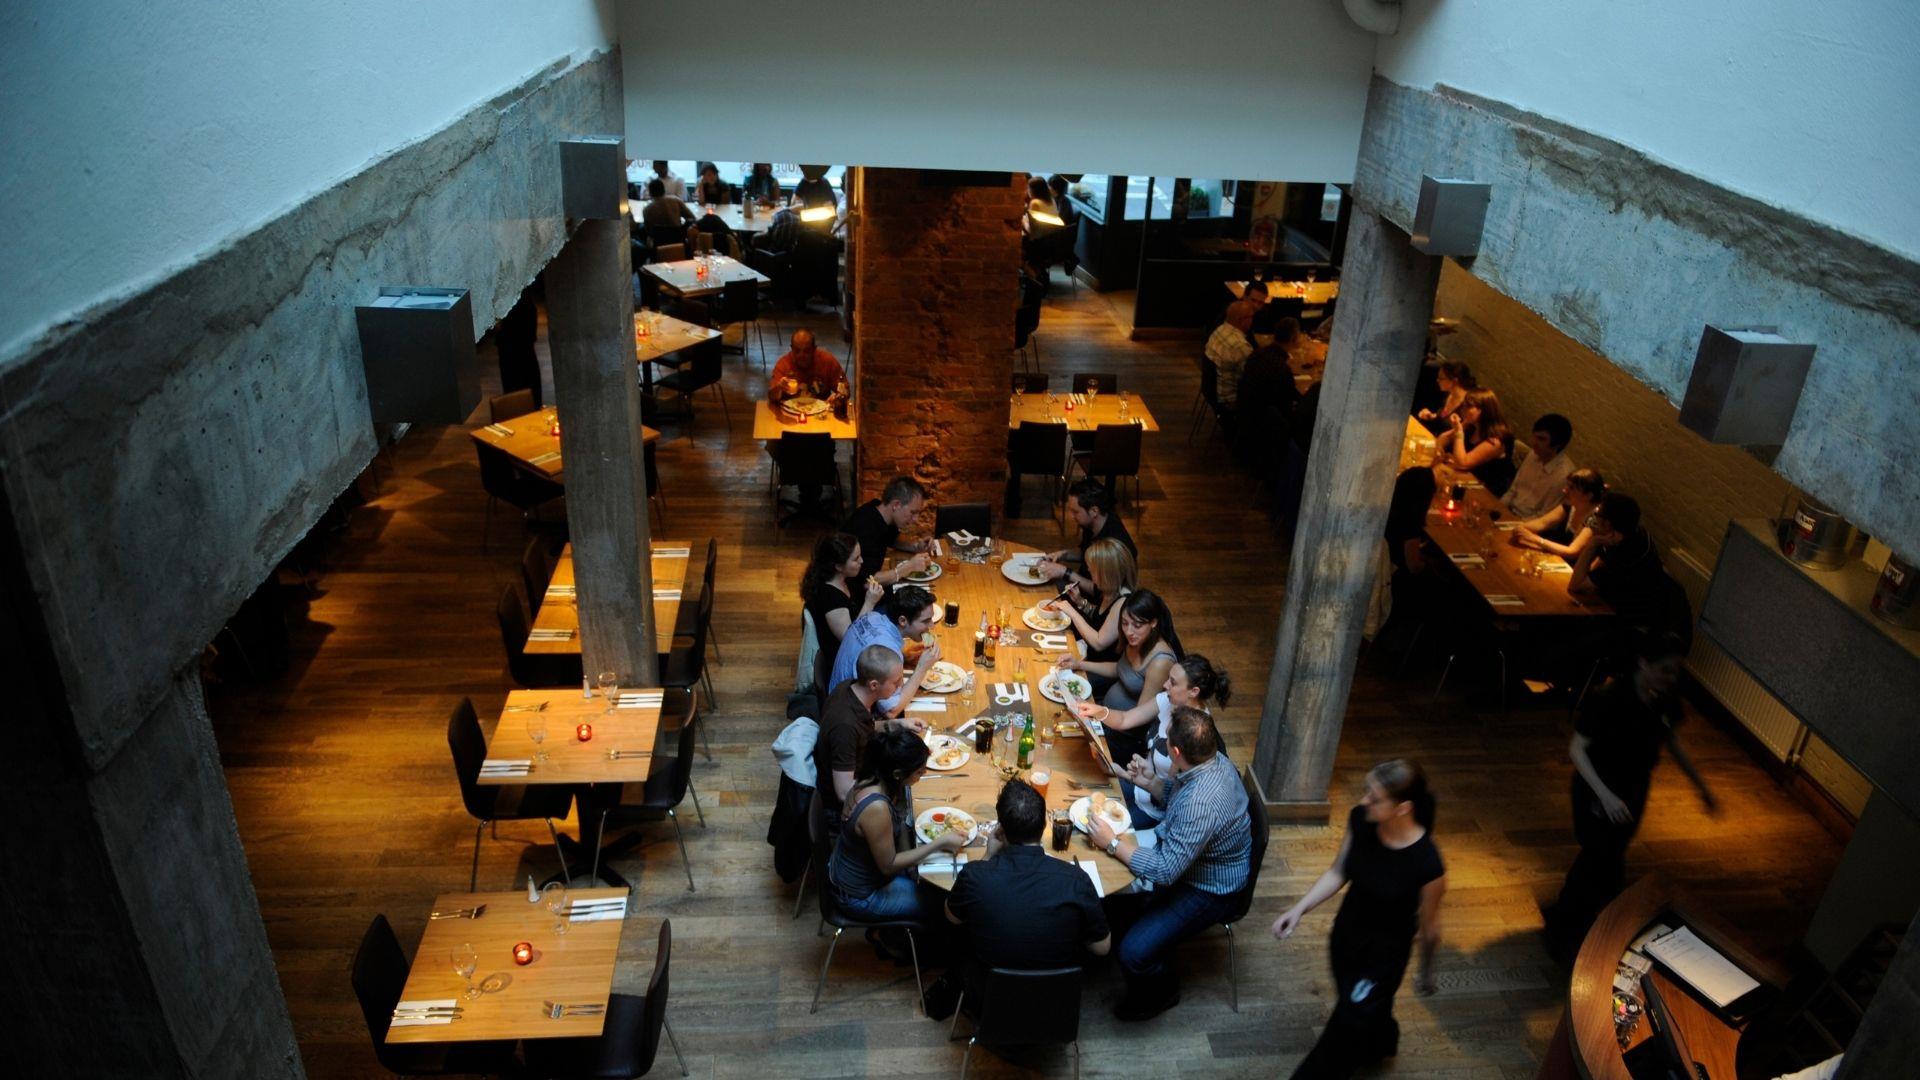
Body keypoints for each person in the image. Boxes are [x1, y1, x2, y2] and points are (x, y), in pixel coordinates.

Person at [1542, 634, 1715, 963]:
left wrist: (1701, 786)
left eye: (1675, 671)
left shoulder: (1664, 699)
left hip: (1633, 788)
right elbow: (1577, 749)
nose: (1671, 678)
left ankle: (1579, 919)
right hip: (1598, 788)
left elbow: (1672, 742)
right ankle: (1569, 930)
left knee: (1610, 855)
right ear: (1643, 664)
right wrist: (1605, 796)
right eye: (1665, 670)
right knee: (1599, 856)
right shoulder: (1608, 698)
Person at [1273, 760, 1446, 1078]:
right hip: (1346, 938)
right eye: (1367, 792)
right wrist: (1298, 910)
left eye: (1375, 797)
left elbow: (1430, 929)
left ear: (1403, 808)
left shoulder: (1427, 863)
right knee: (1358, 1009)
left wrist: (1426, 971)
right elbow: (1339, 871)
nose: (1364, 800)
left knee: (1342, 1031)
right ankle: (1381, 1042)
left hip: (1383, 959)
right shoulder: (1361, 821)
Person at [1088, 707, 1251, 1021]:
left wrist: (1111, 842)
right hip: (1185, 855)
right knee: (1112, 886)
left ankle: (1159, 993)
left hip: (1210, 887)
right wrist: (1150, 783)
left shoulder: (1201, 802)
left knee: (1133, 952)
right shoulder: (1213, 762)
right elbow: (1181, 796)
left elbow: (1165, 869)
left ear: (1175, 751)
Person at [944, 779, 1110, 994]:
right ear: (1044, 826)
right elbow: (1102, 947)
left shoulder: (975, 875)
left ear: (1001, 830)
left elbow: (952, 916)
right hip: (1054, 999)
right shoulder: (1076, 879)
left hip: (990, 994)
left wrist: (987, 856)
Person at [829, 727, 965, 922]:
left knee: (930, 881)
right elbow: (889, 865)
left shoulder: (875, 776)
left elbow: (898, 825)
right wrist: (939, 843)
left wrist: (911, 868)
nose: (924, 773)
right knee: (947, 904)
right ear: (898, 774)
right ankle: (898, 943)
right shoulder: (876, 808)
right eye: (919, 771)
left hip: (861, 873)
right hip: (859, 895)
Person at [1060, 590, 1182, 768]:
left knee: (1071, 754)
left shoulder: (1160, 662)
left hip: (1124, 737)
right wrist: (1079, 665)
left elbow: (1138, 719)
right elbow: (1119, 669)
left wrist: (1099, 716)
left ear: (1154, 623)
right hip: (1107, 715)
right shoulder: (1137, 641)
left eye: (1137, 625)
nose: (1129, 631)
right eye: (1125, 624)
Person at [1114, 655, 1232, 829]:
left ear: (1194, 692)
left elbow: (1170, 797)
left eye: (1173, 682)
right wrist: (1127, 775)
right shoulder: (1172, 702)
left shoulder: (1191, 735)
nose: (1165, 685)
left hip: (1157, 812)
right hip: (1143, 788)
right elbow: (1126, 720)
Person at [815, 644, 909, 820]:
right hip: (845, 810)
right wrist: (885, 785)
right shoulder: (845, 727)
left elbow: (865, 728)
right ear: (874, 685)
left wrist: (900, 724)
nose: (900, 686)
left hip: (865, 771)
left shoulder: (849, 688)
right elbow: (844, 792)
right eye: (896, 682)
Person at [826, 584, 942, 719]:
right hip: (848, 717)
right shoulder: (886, 649)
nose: (932, 626)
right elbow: (891, 710)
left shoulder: (874, 616)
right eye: (926, 621)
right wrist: (922, 668)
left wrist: (904, 657)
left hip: (837, 696)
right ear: (903, 620)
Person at [1569, 493, 1675, 633]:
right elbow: (1591, 573)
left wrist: (1592, 543)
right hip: (1618, 607)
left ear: (1607, 524)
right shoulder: (1633, 533)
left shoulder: (1625, 555)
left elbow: (1575, 585)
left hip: (1631, 624)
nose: (1593, 518)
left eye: (1597, 514)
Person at [801, 532, 885, 690]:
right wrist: (869, 602)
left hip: (858, 648)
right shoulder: (830, 597)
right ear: (838, 566)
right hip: (843, 667)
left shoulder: (846, 579)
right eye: (855, 559)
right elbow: (851, 640)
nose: (861, 561)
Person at [1047, 537, 1137, 682]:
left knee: (1054, 678)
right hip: (1089, 658)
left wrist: (1072, 611)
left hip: (1102, 670)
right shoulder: (1109, 590)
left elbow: (1098, 642)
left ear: (1106, 573)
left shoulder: (1123, 602)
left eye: (1093, 570)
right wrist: (1080, 601)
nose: (1088, 571)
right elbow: (1100, 616)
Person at [1037, 480, 1136, 598]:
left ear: (1094, 511)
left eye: (1075, 512)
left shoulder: (1114, 544)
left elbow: (1101, 592)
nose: (1072, 516)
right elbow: (1086, 551)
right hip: (1080, 586)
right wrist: (1063, 554)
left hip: (1092, 602)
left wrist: (1065, 572)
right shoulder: (1092, 524)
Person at [840, 476, 933, 588]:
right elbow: (867, 582)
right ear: (896, 505)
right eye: (913, 512)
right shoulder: (866, 526)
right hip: (852, 596)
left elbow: (893, 539)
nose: (916, 519)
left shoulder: (880, 511)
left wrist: (916, 546)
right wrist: (909, 567)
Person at [1512, 467, 1606, 561]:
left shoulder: (1595, 518)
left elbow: (1572, 551)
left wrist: (1535, 539)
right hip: (1561, 560)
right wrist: (1521, 527)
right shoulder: (1570, 506)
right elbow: (1542, 523)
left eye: (1572, 488)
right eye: (1567, 486)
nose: (1564, 490)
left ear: (1588, 496)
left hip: (1580, 569)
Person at [1443, 387, 1516, 496]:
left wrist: (1459, 432)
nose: (1463, 410)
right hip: (1464, 481)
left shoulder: (1496, 440)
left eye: (1469, 407)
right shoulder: (1472, 426)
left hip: (1485, 493)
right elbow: (1442, 439)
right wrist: (1460, 426)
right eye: (1464, 405)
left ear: (1483, 410)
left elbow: (1463, 463)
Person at [1503, 413, 1576, 519]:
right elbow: (1513, 490)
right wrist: (1498, 509)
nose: (1533, 442)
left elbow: (1544, 515)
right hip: (1509, 514)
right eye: (1534, 436)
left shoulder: (1564, 474)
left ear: (1557, 444)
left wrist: (1513, 525)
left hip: (1529, 525)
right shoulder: (1533, 454)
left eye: (1541, 439)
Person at [768, 329, 846, 404]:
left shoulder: (827, 361)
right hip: (790, 413)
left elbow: (845, 390)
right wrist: (778, 388)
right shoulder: (784, 364)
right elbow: (772, 397)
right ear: (791, 348)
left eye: (806, 351)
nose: (801, 355)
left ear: (814, 349)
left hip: (821, 413)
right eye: (797, 351)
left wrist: (838, 397)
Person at [1206, 300, 1258, 410]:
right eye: (1251, 317)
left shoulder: (1219, 330)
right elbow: (1253, 378)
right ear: (1241, 320)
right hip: (1230, 401)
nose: (1253, 321)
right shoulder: (1240, 346)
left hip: (1212, 390)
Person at [1416, 360, 1475, 433]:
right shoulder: (1448, 394)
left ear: (1454, 381)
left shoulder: (1467, 404)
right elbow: (1443, 416)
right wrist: (1431, 416)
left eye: (1441, 378)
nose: (1437, 380)